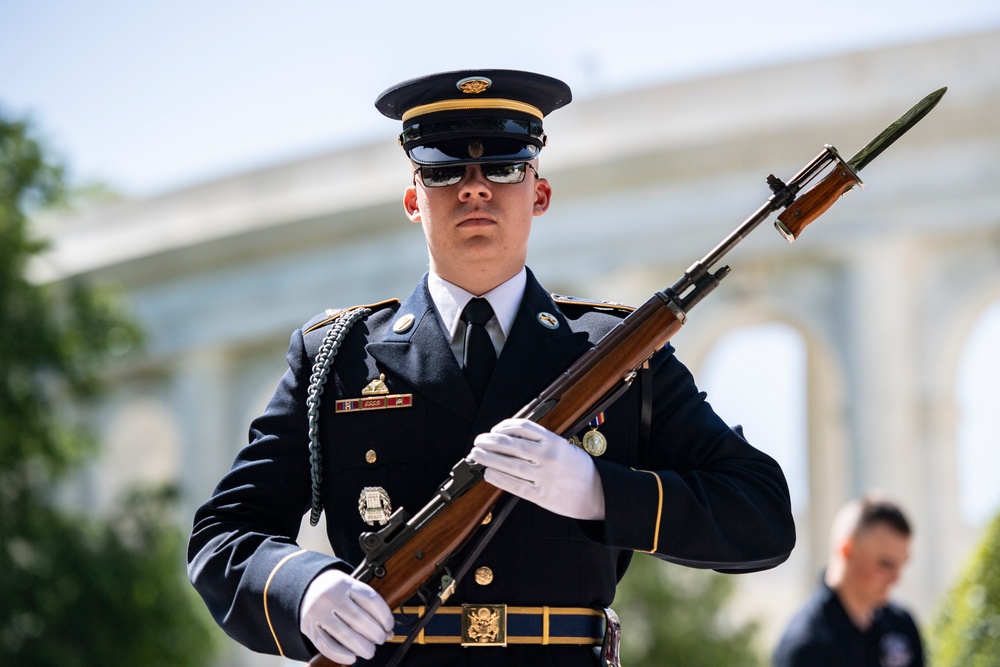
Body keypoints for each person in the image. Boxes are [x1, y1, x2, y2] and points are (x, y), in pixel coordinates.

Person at [188, 69, 796, 667]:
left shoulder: (618, 357)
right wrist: (307, 591)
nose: (473, 189)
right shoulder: (338, 356)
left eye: (503, 167)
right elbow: (223, 536)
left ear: (540, 193)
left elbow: (761, 515)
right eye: (444, 170)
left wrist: (597, 490)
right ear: (412, 200)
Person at [773, 495, 925, 667]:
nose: (896, 579)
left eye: (901, 565)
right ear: (847, 551)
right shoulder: (806, 643)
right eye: (886, 564)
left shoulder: (901, 625)